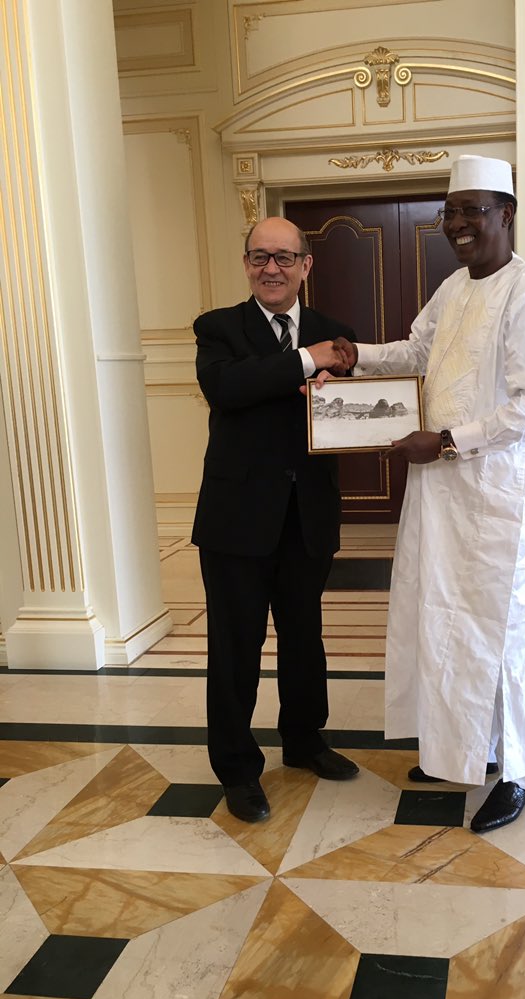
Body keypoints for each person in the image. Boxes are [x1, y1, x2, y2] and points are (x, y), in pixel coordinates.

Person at [331, 154, 525, 833]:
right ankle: (466, 750)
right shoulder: (454, 288)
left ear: (507, 213)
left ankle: (518, 771)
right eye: (452, 212)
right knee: (449, 623)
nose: (459, 224)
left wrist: (440, 441)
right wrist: (356, 358)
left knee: (507, 635)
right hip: (443, 497)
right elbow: (414, 351)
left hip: (504, 503)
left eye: (473, 210)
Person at [193, 216, 359, 824]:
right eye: (260, 257)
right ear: (246, 264)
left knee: (304, 636)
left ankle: (305, 741)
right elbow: (227, 389)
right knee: (235, 647)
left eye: (285, 258)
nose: (272, 268)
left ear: (305, 266)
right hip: (236, 520)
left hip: (307, 515)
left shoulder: (335, 333)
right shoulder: (218, 328)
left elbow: (351, 415)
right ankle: (237, 769)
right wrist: (301, 363)